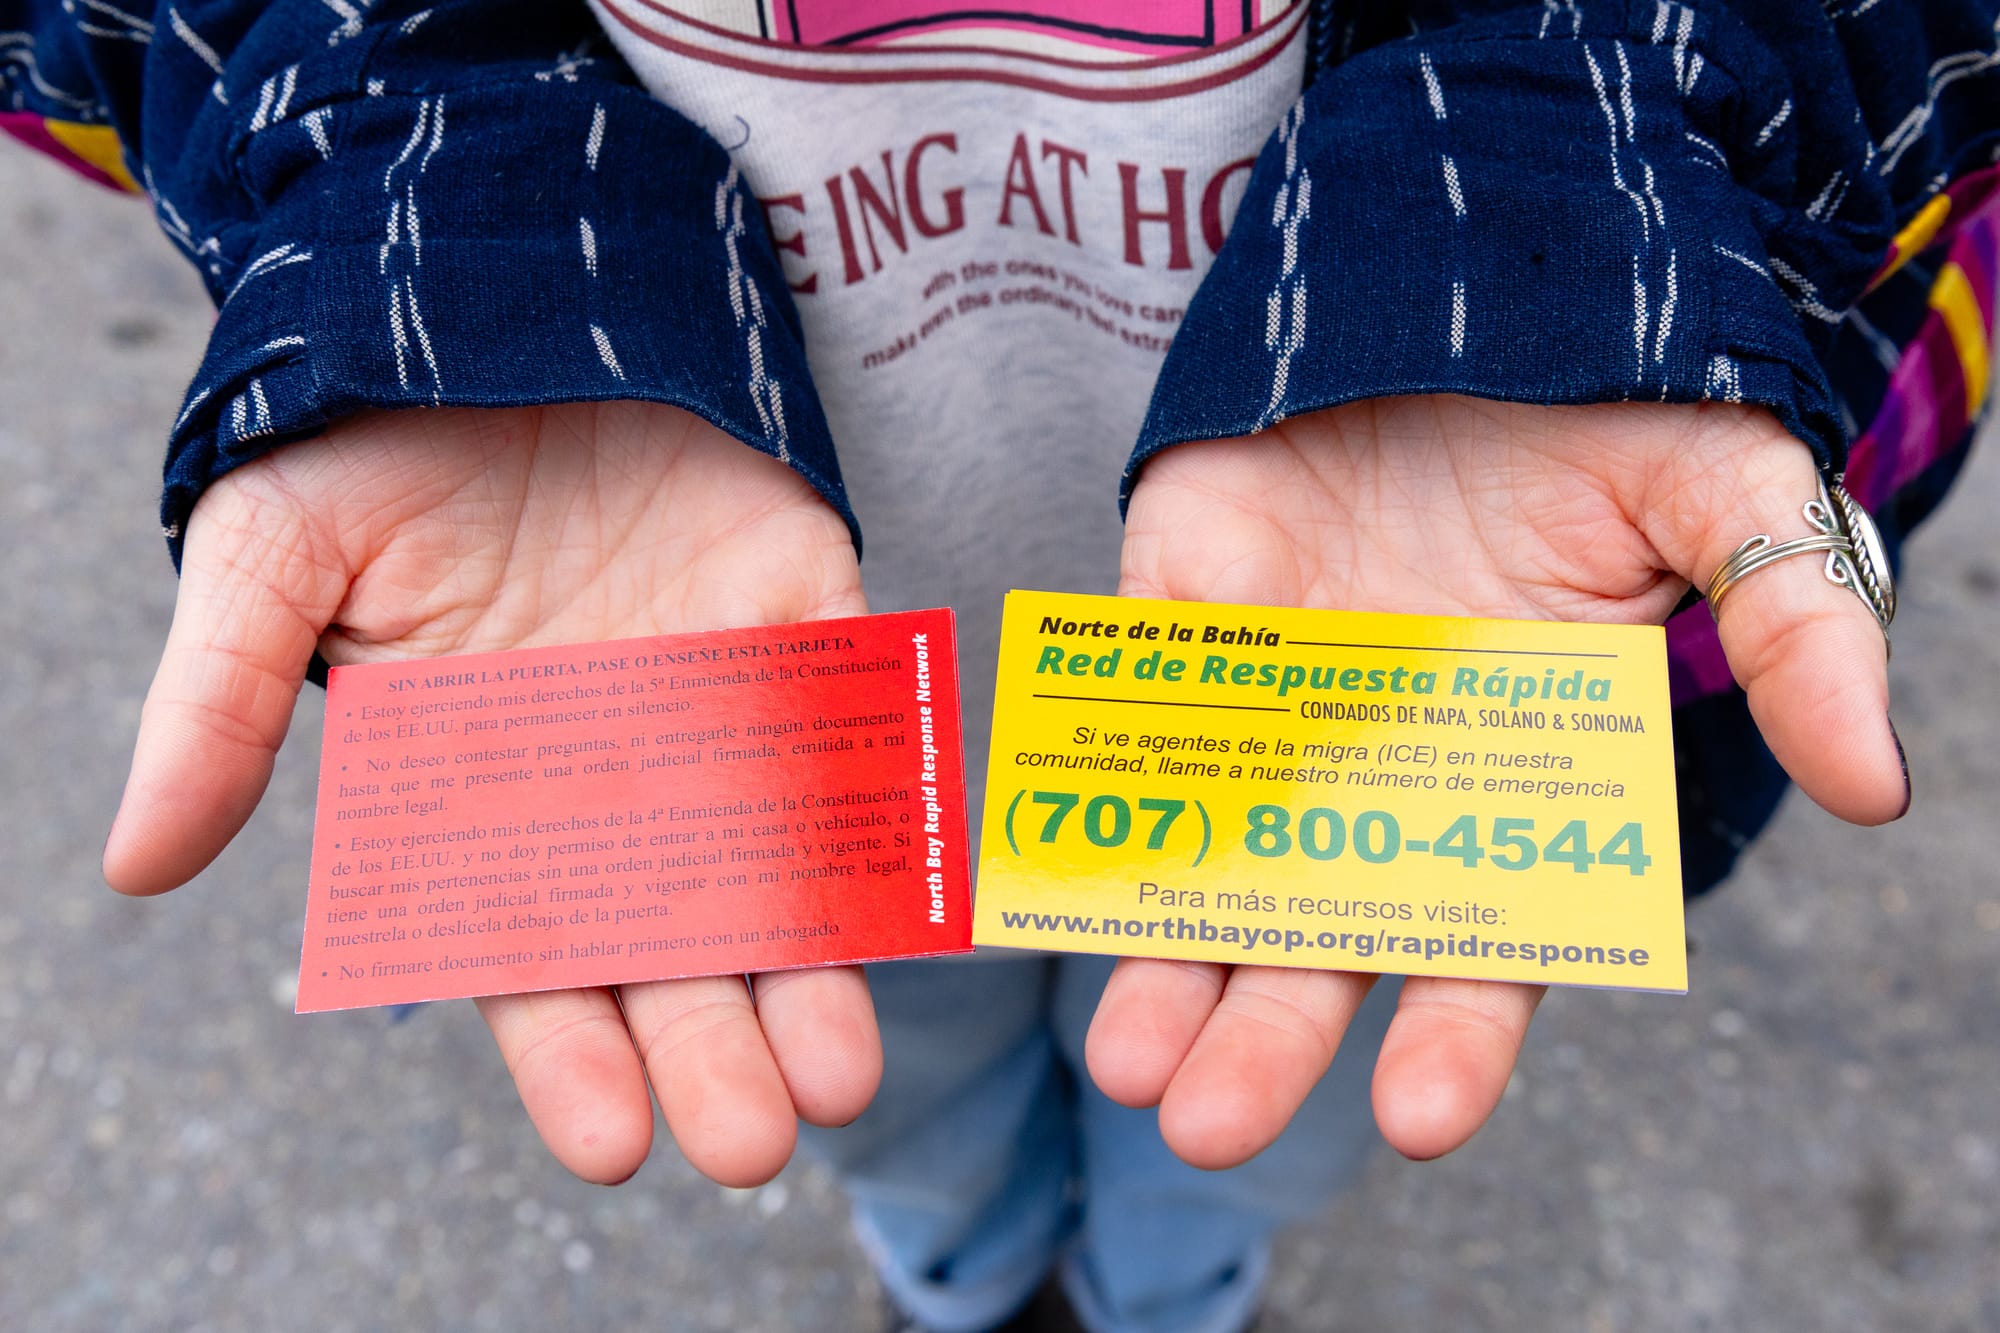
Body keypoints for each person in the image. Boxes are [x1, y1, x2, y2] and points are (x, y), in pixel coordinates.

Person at [5, 1, 1995, 1328]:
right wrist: (441, 231)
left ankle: (1165, 1297)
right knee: (888, 1082)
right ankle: (962, 1278)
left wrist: (1575, 209)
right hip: (757, 659)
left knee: (1261, 1096)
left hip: (1385, 644)